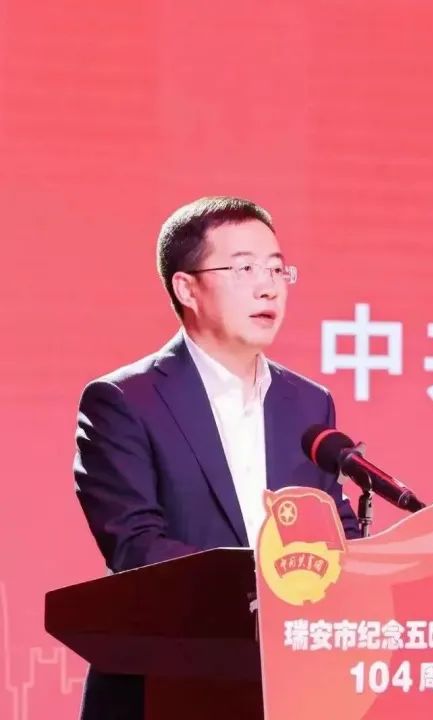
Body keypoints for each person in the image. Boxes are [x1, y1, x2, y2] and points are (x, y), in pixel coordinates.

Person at [72, 196, 360, 719]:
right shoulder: (124, 401)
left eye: (276, 269)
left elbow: (331, 525)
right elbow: (136, 546)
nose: (269, 287)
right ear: (187, 288)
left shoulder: (307, 403)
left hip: (288, 686)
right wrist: (272, 584)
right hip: (169, 683)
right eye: (245, 269)